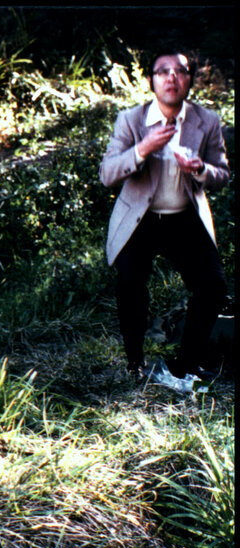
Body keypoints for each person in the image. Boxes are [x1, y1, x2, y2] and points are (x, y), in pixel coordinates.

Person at [100, 50, 229, 380]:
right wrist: (142, 149)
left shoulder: (207, 121)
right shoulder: (131, 119)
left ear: (189, 80)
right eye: (163, 72)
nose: (172, 77)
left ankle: (185, 363)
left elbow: (222, 175)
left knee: (213, 287)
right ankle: (134, 363)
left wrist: (201, 169)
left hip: (184, 218)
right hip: (141, 220)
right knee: (130, 285)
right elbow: (107, 173)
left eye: (180, 71)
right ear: (151, 81)